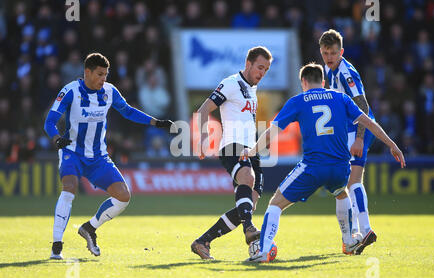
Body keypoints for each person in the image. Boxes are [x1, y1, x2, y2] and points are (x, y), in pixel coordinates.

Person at [241, 63, 405, 262]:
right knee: (341, 192)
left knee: (275, 203)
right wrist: (392, 144)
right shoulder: (341, 98)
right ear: (324, 82)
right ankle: (349, 240)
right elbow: (369, 122)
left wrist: (251, 151)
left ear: (304, 82)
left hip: (313, 167)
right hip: (340, 168)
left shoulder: (298, 101)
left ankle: (264, 250)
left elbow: (271, 134)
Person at [44, 53, 174, 260]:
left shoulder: (109, 91)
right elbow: (49, 122)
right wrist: (56, 139)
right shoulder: (70, 91)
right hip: (72, 152)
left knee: (124, 196)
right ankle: (57, 245)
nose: (104, 78)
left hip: (98, 157)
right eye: (100, 74)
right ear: (87, 72)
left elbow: (128, 111)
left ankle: (89, 228)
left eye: (106, 74)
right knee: (69, 189)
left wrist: (156, 122)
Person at [190, 46, 272, 260]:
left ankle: (202, 242)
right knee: (247, 177)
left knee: (248, 204)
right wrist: (204, 139)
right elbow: (203, 110)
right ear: (248, 64)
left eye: (266, 69)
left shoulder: (252, 89)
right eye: (260, 67)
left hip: (251, 148)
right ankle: (249, 230)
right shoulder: (230, 83)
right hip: (232, 146)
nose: (262, 73)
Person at [319, 29, 378, 251]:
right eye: (325, 53)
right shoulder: (327, 70)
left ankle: (363, 230)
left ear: (341, 52)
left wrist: (360, 139)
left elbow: (362, 105)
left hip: (359, 129)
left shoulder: (346, 72)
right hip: (348, 131)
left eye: (333, 53)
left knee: (353, 181)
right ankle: (356, 233)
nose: (330, 57)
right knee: (348, 183)